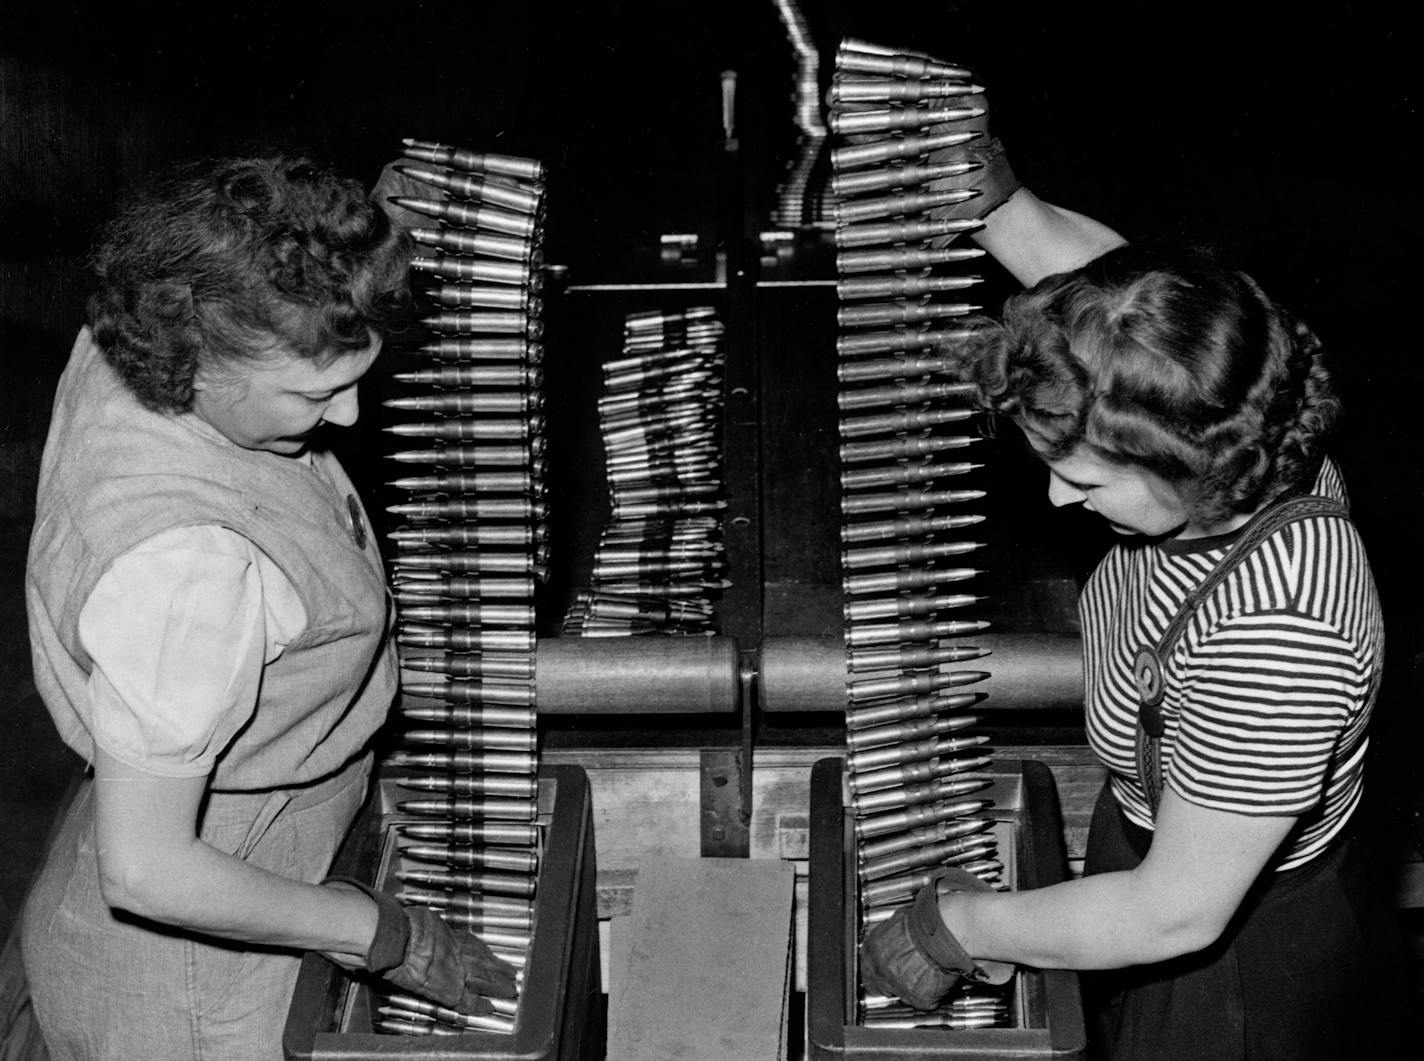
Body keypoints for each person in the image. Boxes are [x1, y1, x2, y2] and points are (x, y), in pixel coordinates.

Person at [858, 98, 1413, 1059]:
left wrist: (965, 926)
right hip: (1159, 821)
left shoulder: (1279, 633)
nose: (1058, 501)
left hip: (1234, 959)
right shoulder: (1239, 404)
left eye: (1085, 478)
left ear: (1186, 464)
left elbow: (1173, 916)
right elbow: (1119, 310)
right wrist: (998, 208)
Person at [21, 154, 517, 1061]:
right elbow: (149, 870)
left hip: (219, 854)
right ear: (197, 362)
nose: (354, 416)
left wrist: (364, 230)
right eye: (317, 391)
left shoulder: (130, 336)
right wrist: (382, 933)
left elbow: (250, 268)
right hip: (197, 986)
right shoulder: (183, 569)